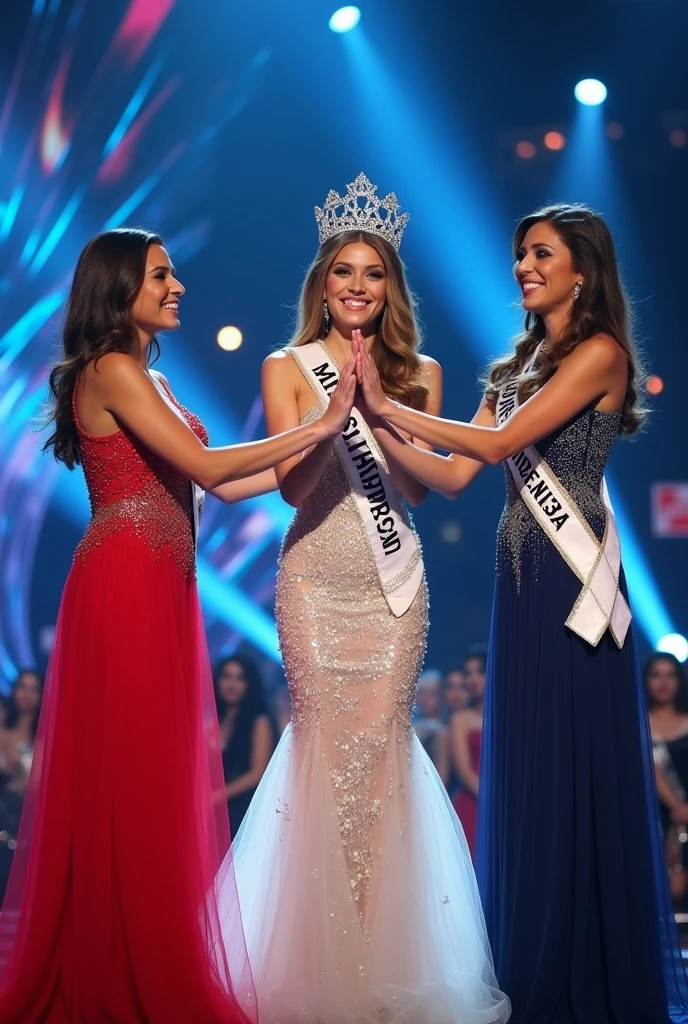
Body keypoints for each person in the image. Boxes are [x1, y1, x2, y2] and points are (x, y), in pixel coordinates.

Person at [0, 228, 357, 1024]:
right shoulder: (113, 369)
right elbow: (204, 469)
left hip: (162, 580)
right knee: (128, 773)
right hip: (124, 578)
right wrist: (320, 421)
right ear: (120, 285)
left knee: (153, 775)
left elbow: (228, 487)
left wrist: (322, 453)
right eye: (162, 274)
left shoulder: (149, 377)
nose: (178, 286)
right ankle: (117, 970)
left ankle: (137, 953)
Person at [354, 203, 688, 1023]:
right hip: (521, 584)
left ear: (583, 269)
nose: (523, 268)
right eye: (519, 255)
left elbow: (499, 450)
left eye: (540, 254)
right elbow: (455, 477)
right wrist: (358, 423)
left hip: (574, 592)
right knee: (530, 765)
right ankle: (528, 953)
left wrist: (386, 406)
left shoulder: (602, 353)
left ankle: (584, 972)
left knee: (574, 767)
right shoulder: (511, 371)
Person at [218, 174, 509, 1024]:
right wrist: (329, 413)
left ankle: (384, 955)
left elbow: (422, 495)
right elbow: (286, 485)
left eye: (372, 273)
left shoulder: (422, 370)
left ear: (390, 288)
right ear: (323, 283)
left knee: (378, 753)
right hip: (314, 574)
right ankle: (314, 960)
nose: (356, 286)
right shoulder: (287, 367)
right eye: (343, 271)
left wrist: (380, 414)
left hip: (391, 588)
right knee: (321, 752)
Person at [214, 654, 275, 836]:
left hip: (241, 810)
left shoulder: (259, 721)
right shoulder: (214, 719)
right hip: (213, 808)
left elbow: (257, 774)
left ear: (249, 684)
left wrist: (214, 797)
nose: (231, 684)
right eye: (226, 676)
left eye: (239, 678)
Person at [644, 652, 688, 904]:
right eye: (656, 675)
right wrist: (677, 808)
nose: (663, 683)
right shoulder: (635, 725)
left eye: (670, 675)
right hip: (652, 821)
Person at [451, 649, 486, 858]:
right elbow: (464, 771)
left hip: (508, 805)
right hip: (472, 805)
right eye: (468, 673)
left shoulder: (510, 716)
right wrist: (491, 800)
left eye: (479, 672)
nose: (472, 678)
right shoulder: (460, 719)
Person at [413, 669, 450, 786]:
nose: (424, 699)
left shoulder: (440, 732)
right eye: (421, 693)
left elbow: (441, 775)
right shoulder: (414, 725)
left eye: (431, 694)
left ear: (441, 698)